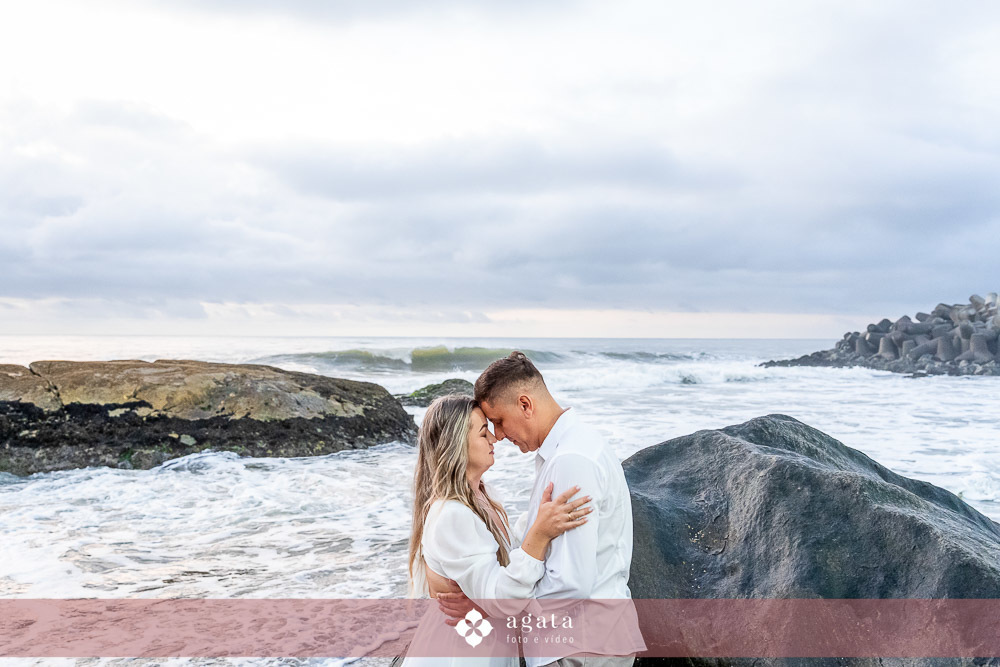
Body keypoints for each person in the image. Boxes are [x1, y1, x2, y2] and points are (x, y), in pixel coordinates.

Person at [440, 351, 646, 667]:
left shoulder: (570, 461)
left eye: (498, 421)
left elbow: (569, 585)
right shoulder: (571, 448)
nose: (498, 434)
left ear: (525, 405)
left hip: (579, 646)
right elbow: (532, 536)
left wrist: (493, 610)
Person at [401, 394, 593, 667]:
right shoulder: (451, 516)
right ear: (457, 446)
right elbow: (503, 598)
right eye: (483, 433)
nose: (494, 439)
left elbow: (500, 577)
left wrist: (484, 607)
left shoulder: (484, 495)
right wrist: (539, 534)